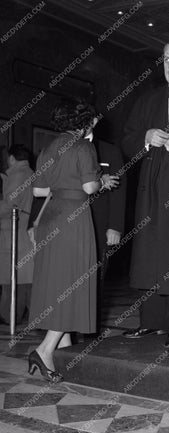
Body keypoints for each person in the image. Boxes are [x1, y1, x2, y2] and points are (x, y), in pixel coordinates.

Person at [28, 97, 118, 383]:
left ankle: (63, 355)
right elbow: (90, 187)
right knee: (73, 284)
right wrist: (103, 180)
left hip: (52, 215)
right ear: (85, 122)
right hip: (73, 218)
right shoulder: (83, 146)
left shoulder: (48, 148)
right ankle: (44, 351)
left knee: (58, 283)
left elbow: (40, 192)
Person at [121, 39, 169, 349]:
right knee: (148, 254)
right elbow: (126, 138)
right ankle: (150, 322)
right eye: (166, 60)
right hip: (151, 188)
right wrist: (146, 137)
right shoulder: (149, 99)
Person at [85, 116, 126, 327]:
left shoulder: (110, 151)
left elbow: (119, 192)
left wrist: (115, 226)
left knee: (95, 280)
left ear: (93, 121)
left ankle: (90, 331)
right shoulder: (62, 149)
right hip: (65, 224)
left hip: (99, 225)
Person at [0, 145, 34, 325]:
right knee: (21, 276)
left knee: (13, 276)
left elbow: (10, 204)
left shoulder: (18, 174)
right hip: (20, 229)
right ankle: (13, 314)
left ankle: (10, 315)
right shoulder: (28, 172)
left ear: (12, 158)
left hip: (13, 230)